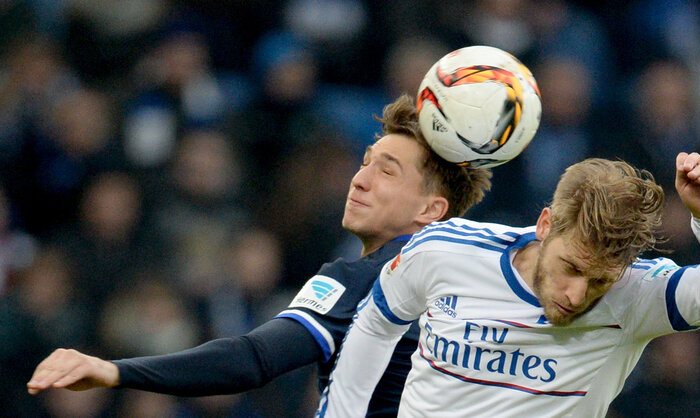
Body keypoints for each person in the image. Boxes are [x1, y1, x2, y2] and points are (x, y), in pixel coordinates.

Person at [25, 94, 493, 416]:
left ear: (431, 210)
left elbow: (251, 359)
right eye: (365, 162)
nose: (360, 179)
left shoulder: (366, 281)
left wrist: (113, 370)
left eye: (386, 172)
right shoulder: (482, 287)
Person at [318, 152, 700, 417]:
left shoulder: (634, 296)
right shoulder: (443, 250)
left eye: (600, 280)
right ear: (545, 224)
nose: (576, 296)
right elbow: (374, 325)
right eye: (571, 267)